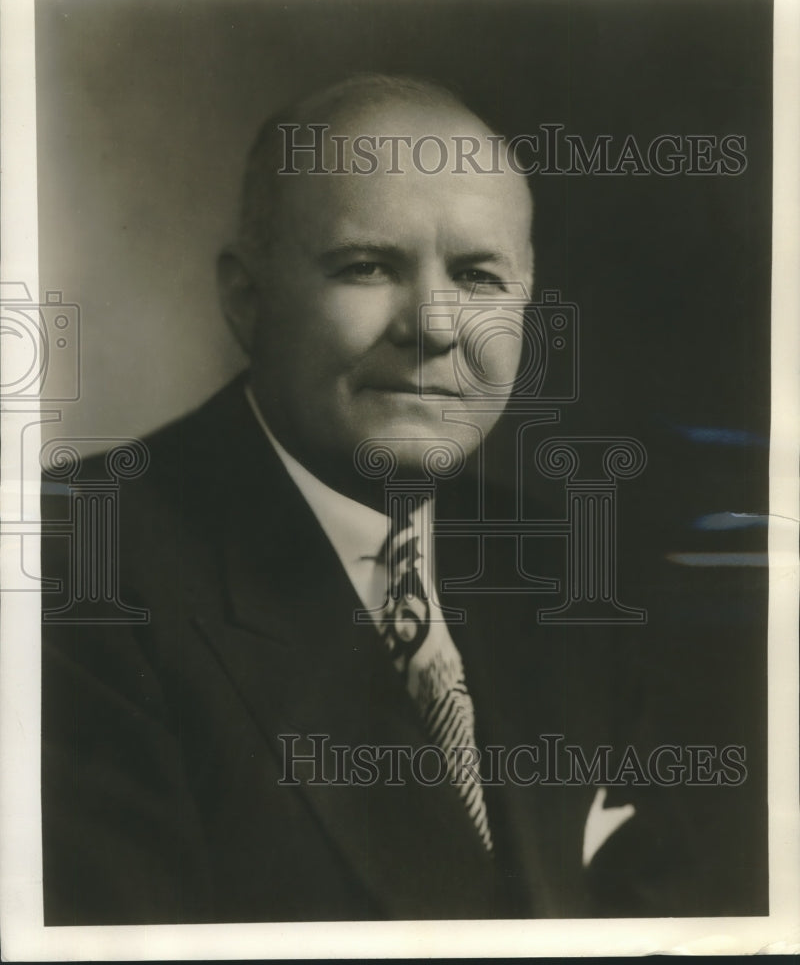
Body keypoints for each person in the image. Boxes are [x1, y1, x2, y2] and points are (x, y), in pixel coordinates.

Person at [40, 74, 765, 925]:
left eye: (479, 277)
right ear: (247, 299)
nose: (436, 325)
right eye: (367, 266)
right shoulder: (72, 565)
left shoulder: (572, 564)